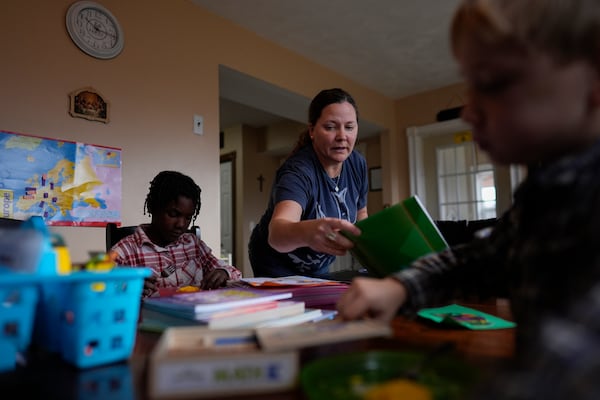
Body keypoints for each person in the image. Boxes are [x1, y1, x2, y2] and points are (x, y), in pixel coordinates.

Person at [337, 0, 600, 398]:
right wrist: (401, 288)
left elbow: (572, 363)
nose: (469, 109)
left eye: (493, 83)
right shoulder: (547, 192)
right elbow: (483, 258)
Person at [248, 88, 367, 278]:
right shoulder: (298, 171)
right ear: (312, 130)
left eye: (350, 127)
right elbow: (277, 233)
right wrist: (307, 232)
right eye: (330, 127)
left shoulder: (357, 164)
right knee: (290, 307)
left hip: (316, 262)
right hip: (275, 261)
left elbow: (361, 215)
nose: (342, 136)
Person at [111, 170, 242, 297]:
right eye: (173, 214)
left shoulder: (194, 245)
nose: (181, 224)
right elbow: (98, 291)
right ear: (152, 207)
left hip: (194, 316)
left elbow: (235, 273)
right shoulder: (123, 252)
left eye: (188, 218)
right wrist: (126, 287)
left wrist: (223, 272)